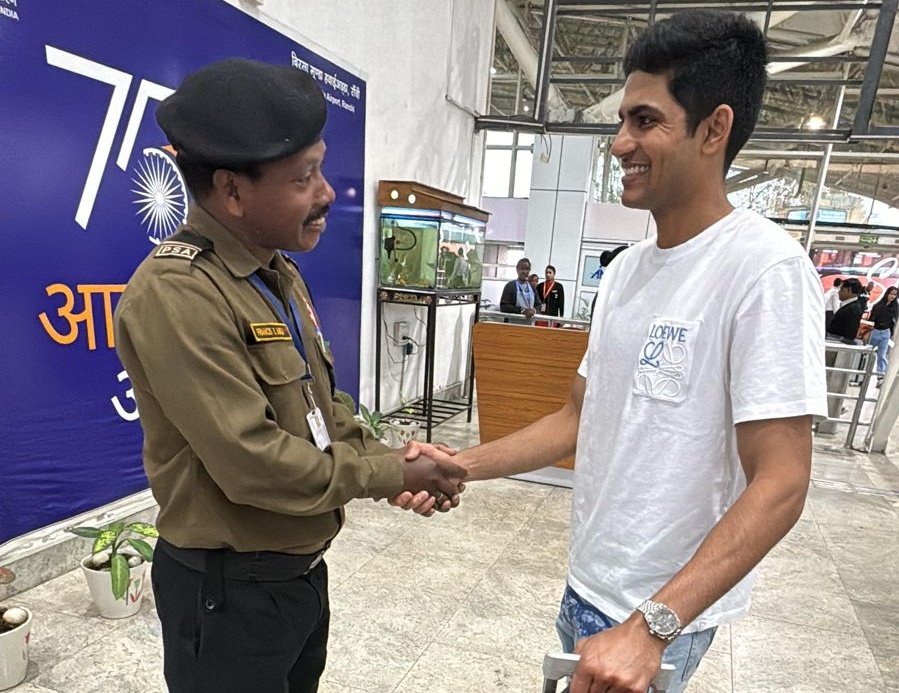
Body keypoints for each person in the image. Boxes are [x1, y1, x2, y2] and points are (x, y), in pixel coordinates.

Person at [394, 11, 825, 692]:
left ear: (713, 129)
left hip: (656, 618)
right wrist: (457, 464)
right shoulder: (627, 269)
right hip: (587, 585)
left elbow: (781, 481)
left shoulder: (763, 268)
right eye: (621, 120)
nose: (620, 142)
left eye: (645, 121)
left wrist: (653, 624)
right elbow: (576, 417)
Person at [114, 58, 465, 693]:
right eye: (304, 177)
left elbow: (319, 413)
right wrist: (390, 474)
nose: (328, 191)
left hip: (292, 579)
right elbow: (252, 462)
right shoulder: (177, 294)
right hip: (228, 595)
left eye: (321, 168)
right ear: (232, 191)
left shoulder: (275, 274)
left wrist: (392, 457)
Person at [867, 285, 898, 378]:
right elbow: (871, 319)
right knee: (867, 353)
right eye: (891, 294)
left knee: (882, 355)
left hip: (885, 333)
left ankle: (880, 376)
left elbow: (894, 322)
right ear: (887, 293)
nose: (892, 296)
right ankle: (862, 374)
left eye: (895, 295)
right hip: (875, 331)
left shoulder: (896, 307)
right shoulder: (878, 305)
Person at [827, 277, 864, 343]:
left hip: (838, 344)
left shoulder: (853, 309)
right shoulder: (849, 305)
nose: (839, 292)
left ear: (848, 290)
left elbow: (849, 334)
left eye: (841, 289)